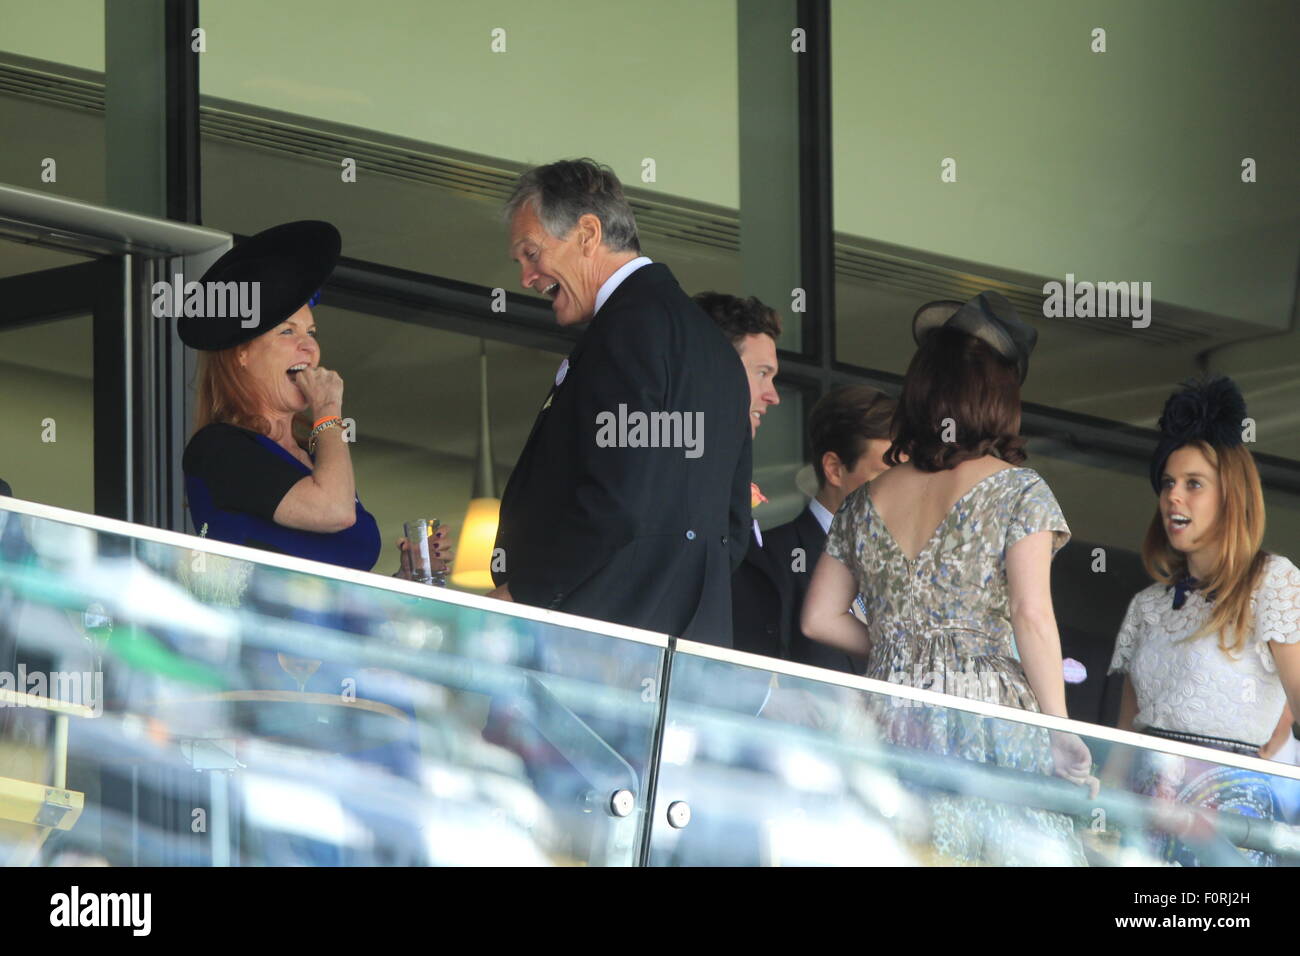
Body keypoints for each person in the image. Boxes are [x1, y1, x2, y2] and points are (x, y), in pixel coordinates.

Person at [802, 291, 1096, 865]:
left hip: (886, 714)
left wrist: (900, 646)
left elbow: (817, 617)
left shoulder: (864, 501)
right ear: (997, 398)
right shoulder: (1018, 489)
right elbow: (1031, 616)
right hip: (984, 719)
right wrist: (1062, 732)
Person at [489, 159, 751, 646]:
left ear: (588, 233)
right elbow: (731, 529)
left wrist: (525, 592)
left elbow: (620, 499)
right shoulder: (716, 350)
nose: (526, 276)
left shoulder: (628, 330)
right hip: (691, 651)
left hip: (596, 650)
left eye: (531, 253)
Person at [1107, 377, 1300, 865]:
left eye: (1194, 484)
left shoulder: (1273, 582)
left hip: (1225, 815)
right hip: (1146, 810)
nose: (1175, 497)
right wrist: (1103, 807)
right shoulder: (1147, 606)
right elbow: (1127, 736)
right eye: (1168, 483)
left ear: (1231, 495)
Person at [180, 220, 442, 574]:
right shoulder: (220, 448)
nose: (309, 346)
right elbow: (332, 511)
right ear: (241, 353)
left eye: (311, 332)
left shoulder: (317, 452)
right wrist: (329, 410)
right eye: (287, 331)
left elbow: (334, 588)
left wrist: (405, 577)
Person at [768, 386, 897, 673]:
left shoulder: (911, 568)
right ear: (835, 469)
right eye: (886, 475)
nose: (902, 492)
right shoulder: (772, 558)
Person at [691, 291, 783, 658]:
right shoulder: (671, 460)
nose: (772, 395)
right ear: (718, 364)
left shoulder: (725, 467)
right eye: (762, 373)